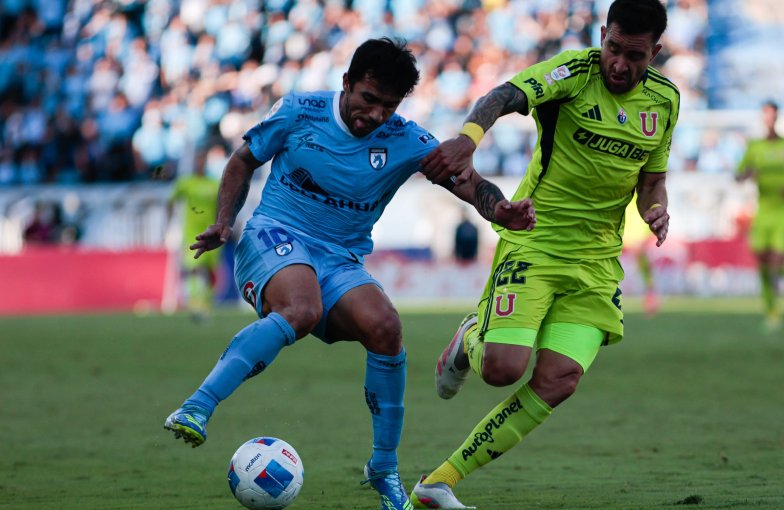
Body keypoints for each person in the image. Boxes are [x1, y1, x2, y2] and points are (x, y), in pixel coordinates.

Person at [162, 38, 535, 510]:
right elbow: (242, 161)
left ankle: (383, 468)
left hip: (340, 259)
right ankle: (196, 406)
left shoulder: (407, 139)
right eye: (368, 99)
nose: (375, 115)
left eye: (388, 106)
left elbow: (467, 181)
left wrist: (500, 209)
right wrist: (223, 220)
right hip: (275, 235)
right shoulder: (298, 112)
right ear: (347, 83)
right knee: (301, 309)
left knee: (387, 328)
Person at [410, 1, 676, 507]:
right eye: (613, 48)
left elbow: (652, 181)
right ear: (603, 33)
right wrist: (468, 139)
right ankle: (470, 338)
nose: (620, 64)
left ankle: (438, 482)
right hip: (535, 240)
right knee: (502, 369)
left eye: (635, 56)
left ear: (655, 53)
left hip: (596, 262)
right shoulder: (573, 73)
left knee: (560, 379)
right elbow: (503, 95)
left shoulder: (665, 101)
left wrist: (656, 209)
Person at [736, 101, 784, 332]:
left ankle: (775, 306)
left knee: (776, 259)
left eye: (771, 114)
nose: (768, 119)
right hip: (763, 210)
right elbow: (738, 174)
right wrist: (747, 174)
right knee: (762, 259)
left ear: (777, 117)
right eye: (765, 115)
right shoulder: (755, 147)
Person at [168, 151, 222, 318]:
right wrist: (169, 224)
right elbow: (170, 201)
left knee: (210, 270)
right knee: (194, 266)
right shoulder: (186, 183)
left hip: (212, 232)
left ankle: (207, 301)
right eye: (197, 160)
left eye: (202, 160)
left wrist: (223, 224)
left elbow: (222, 204)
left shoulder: (214, 183)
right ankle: (194, 302)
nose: (200, 163)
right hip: (192, 232)